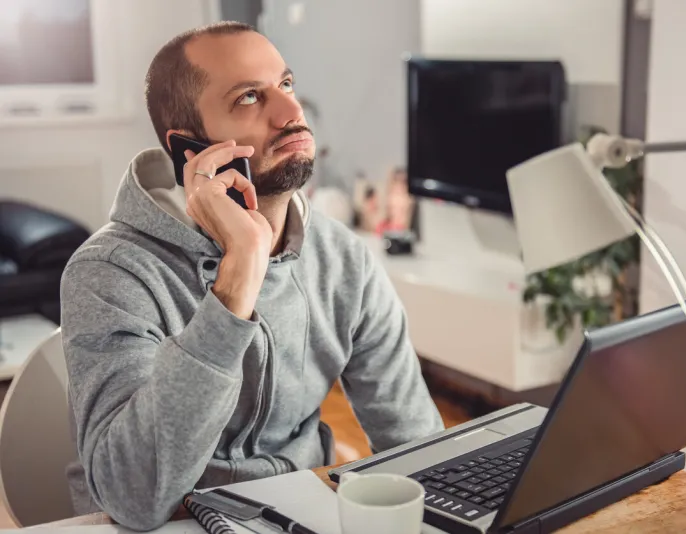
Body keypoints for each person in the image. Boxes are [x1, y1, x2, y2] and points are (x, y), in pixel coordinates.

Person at [60, 21, 443, 530]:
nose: (292, 112)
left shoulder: (343, 258)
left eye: (285, 84)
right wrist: (238, 275)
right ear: (189, 150)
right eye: (248, 98)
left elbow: (417, 446)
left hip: (301, 512)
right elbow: (133, 497)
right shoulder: (110, 272)